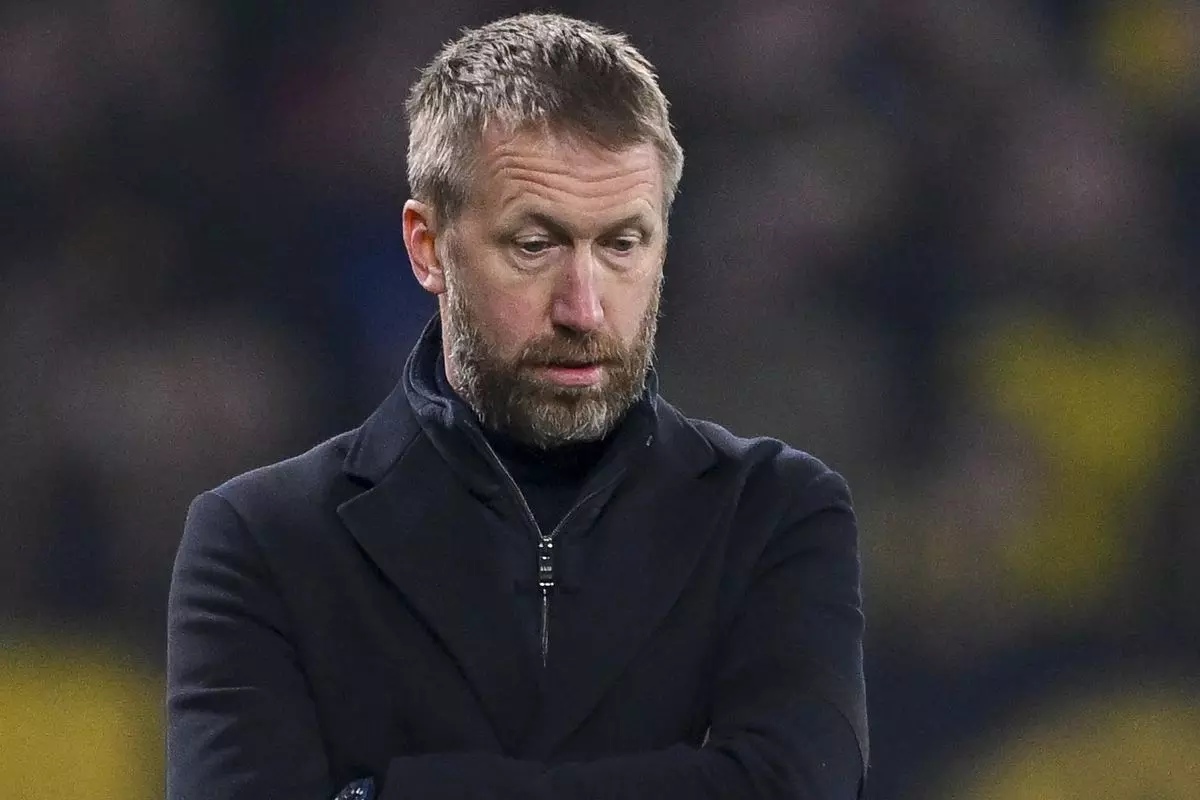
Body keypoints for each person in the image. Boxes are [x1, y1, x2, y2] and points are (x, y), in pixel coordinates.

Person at [166, 13, 868, 800]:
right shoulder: (263, 542)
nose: (584, 309)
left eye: (622, 245)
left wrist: (390, 791)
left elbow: (792, 787)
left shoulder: (776, 515)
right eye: (535, 246)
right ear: (428, 247)